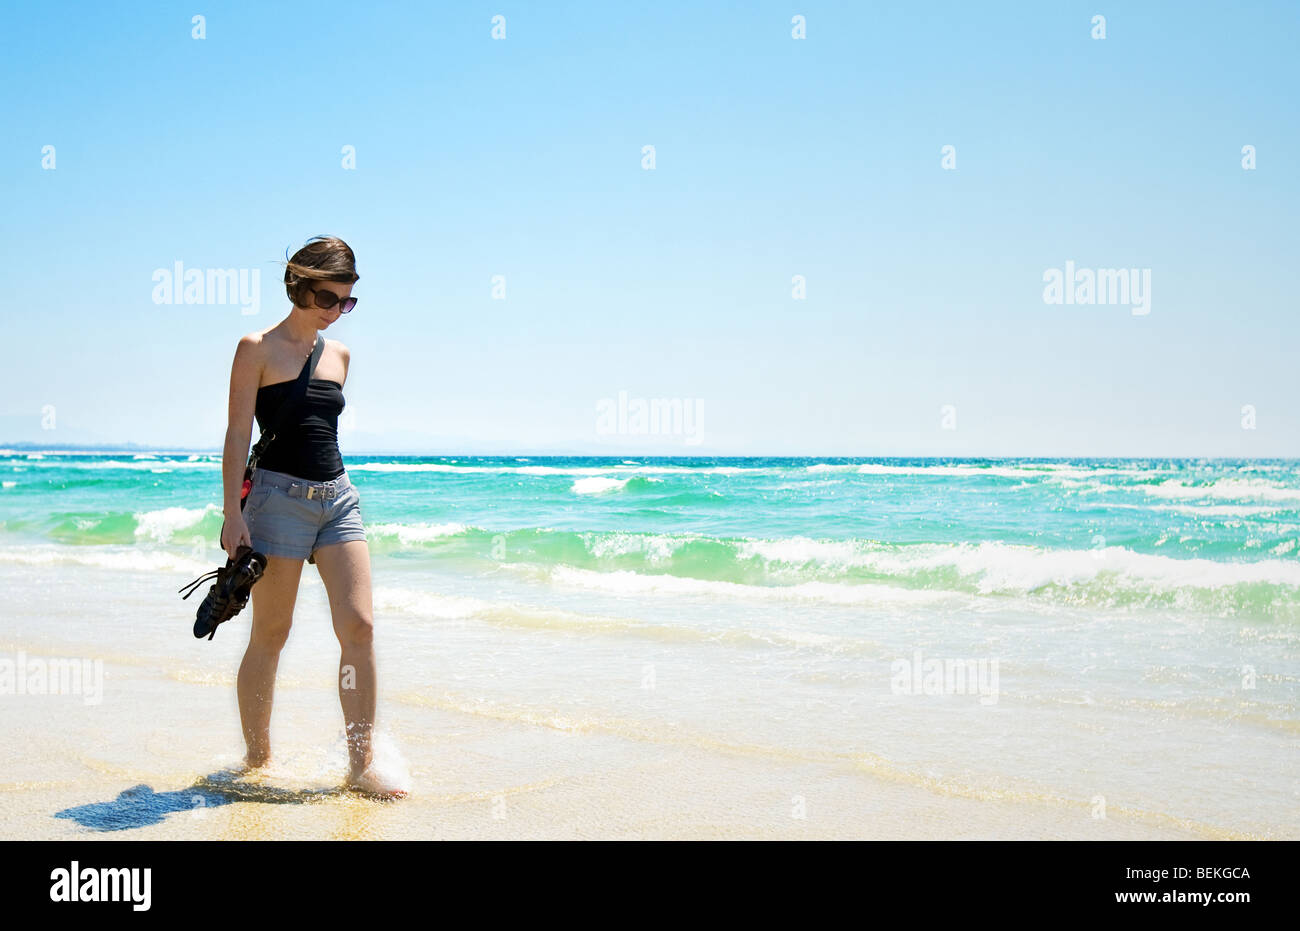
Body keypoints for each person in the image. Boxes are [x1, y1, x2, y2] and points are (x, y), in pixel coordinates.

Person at [220, 235, 405, 799]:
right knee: (272, 634)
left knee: (361, 627)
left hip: (338, 498)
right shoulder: (256, 347)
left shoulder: (339, 356)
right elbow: (236, 434)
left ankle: (361, 765)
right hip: (276, 501)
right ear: (299, 285)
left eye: (347, 302)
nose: (336, 311)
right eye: (329, 298)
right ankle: (258, 759)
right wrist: (233, 514)